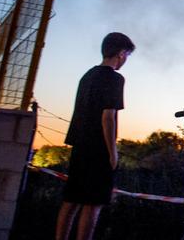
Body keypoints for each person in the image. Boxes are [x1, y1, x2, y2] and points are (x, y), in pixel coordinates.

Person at [55, 32, 135, 240]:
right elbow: (108, 116)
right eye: (127, 54)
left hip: (79, 145)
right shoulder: (115, 79)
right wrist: (112, 152)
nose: (126, 60)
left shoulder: (87, 75)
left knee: (71, 201)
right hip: (98, 148)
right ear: (121, 53)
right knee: (93, 204)